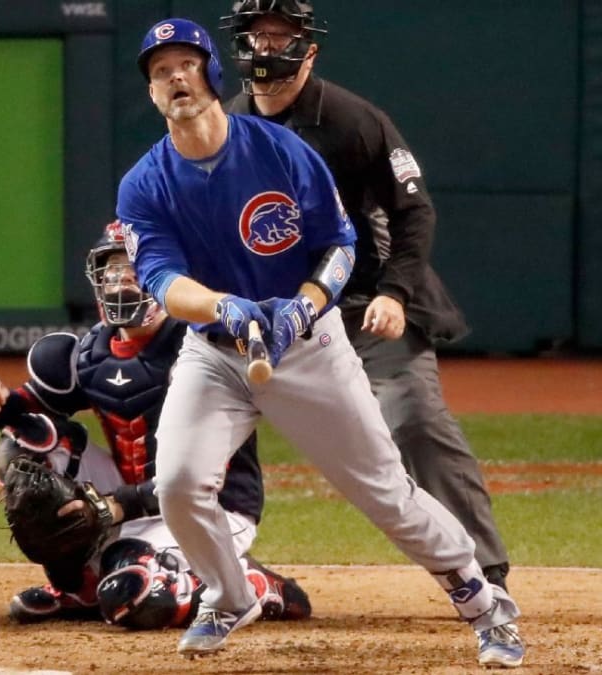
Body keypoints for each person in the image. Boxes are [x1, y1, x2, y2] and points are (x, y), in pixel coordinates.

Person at [117, 17, 524, 668]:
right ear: (152, 93)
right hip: (216, 351)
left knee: (385, 491)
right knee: (179, 481)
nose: (173, 78)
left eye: (184, 64)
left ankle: (482, 599)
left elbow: (339, 243)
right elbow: (164, 282)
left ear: (211, 75)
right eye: (159, 71)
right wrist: (227, 305)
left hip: (307, 344)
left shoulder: (280, 149)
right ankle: (229, 595)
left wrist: (301, 308)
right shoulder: (145, 183)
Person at [218, 0, 513, 592]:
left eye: (282, 35)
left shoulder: (352, 121)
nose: (267, 47)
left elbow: (413, 210)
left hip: (365, 308)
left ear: (310, 49)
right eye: (257, 35)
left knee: (415, 421)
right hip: (277, 317)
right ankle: (194, 564)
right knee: (194, 413)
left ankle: (484, 573)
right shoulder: (227, 123)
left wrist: (397, 293)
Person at [0, 220, 311, 629]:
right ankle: (76, 586)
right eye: (111, 273)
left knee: (133, 598)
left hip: (209, 504)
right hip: (128, 503)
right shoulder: (89, 354)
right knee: (23, 448)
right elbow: (24, 417)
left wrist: (113, 507)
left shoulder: (203, 349)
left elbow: (202, 470)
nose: (121, 284)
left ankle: (252, 584)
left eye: (132, 272)